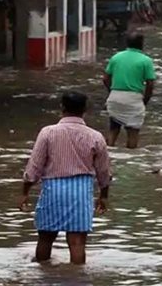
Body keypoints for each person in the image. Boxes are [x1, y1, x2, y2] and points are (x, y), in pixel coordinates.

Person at [20, 92, 110, 265]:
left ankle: (42, 275)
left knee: (46, 238)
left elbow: (35, 166)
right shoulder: (95, 136)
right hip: (81, 192)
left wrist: (25, 192)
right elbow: (103, 171)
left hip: (53, 190)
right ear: (85, 110)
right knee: (77, 242)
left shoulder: (48, 132)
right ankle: (76, 281)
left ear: (62, 107)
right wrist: (103, 196)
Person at [103, 32, 156, 149]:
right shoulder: (146, 61)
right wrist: (145, 101)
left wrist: (111, 92)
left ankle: (108, 156)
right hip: (134, 98)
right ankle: (131, 158)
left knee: (113, 129)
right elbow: (150, 84)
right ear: (142, 44)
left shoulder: (116, 57)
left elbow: (105, 78)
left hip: (114, 97)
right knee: (133, 132)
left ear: (127, 43)